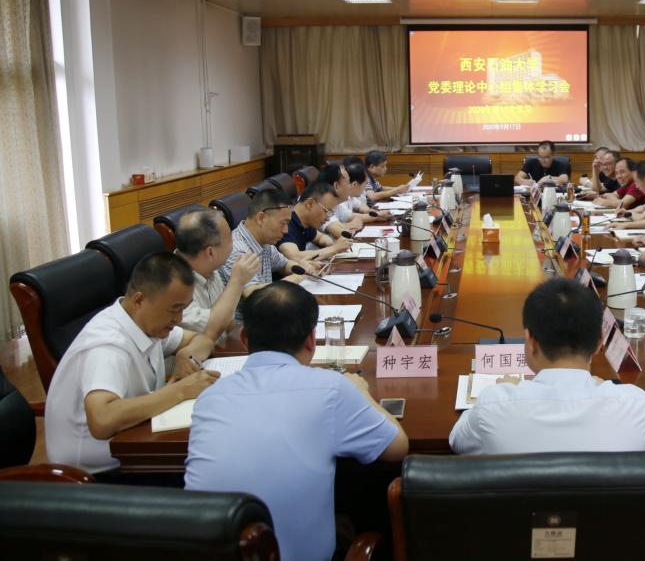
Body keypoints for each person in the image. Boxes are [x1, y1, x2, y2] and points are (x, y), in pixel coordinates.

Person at [186, 282, 408, 561]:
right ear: (312, 340)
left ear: (244, 338)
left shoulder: (209, 398)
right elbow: (398, 447)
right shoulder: (331, 388)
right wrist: (361, 392)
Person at [448, 278, 645, 455]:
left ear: (530, 341)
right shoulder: (636, 405)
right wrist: (608, 386)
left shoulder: (493, 405)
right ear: (599, 341)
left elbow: (457, 440)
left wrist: (506, 390)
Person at [45, 252, 220, 477]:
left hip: (136, 445)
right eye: (174, 309)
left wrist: (187, 355)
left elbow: (203, 340)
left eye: (183, 309)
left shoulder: (146, 322)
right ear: (139, 300)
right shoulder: (108, 346)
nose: (179, 319)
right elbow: (102, 420)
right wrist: (179, 391)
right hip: (97, 474)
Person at [175, 209, 260, 342]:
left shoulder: (210, 267)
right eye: (230, 238)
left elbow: (228, 322)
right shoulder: (173, 284)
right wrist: (237, 281)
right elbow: (211, 330)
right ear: (210, 252)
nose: (234, 244)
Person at [218, 188, 315, 297]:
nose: (286, 230)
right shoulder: (236, 249)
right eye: (283, 223)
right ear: (261, 218)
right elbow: (252, 293)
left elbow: (284, 265)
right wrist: (297, 277)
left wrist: (303, 268)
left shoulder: (265, 242)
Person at [276, 182, 352, 262]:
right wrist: (334, 248)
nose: (328, 219)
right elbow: (295, 256)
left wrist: (333, 245)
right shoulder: (286, 223)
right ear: (309, 204)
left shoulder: (306, 222)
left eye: (331, 213)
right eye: (326, 211)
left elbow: (320, 238)